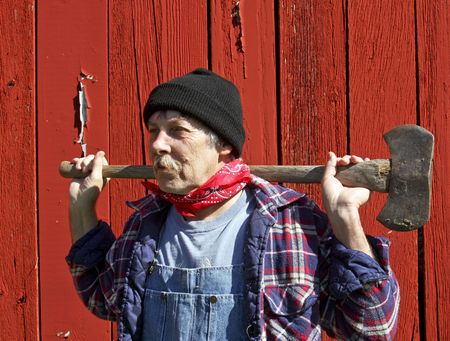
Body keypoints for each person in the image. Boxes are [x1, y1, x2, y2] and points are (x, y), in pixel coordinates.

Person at [66, 68, 399, 340]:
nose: (157, 144)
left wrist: (345, 218)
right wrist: (82, 209)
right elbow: (105, 301)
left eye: (176, 131)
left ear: (223, 144)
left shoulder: (290, 224)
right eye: (154, 130)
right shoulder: (147, 224)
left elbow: (373, 329)